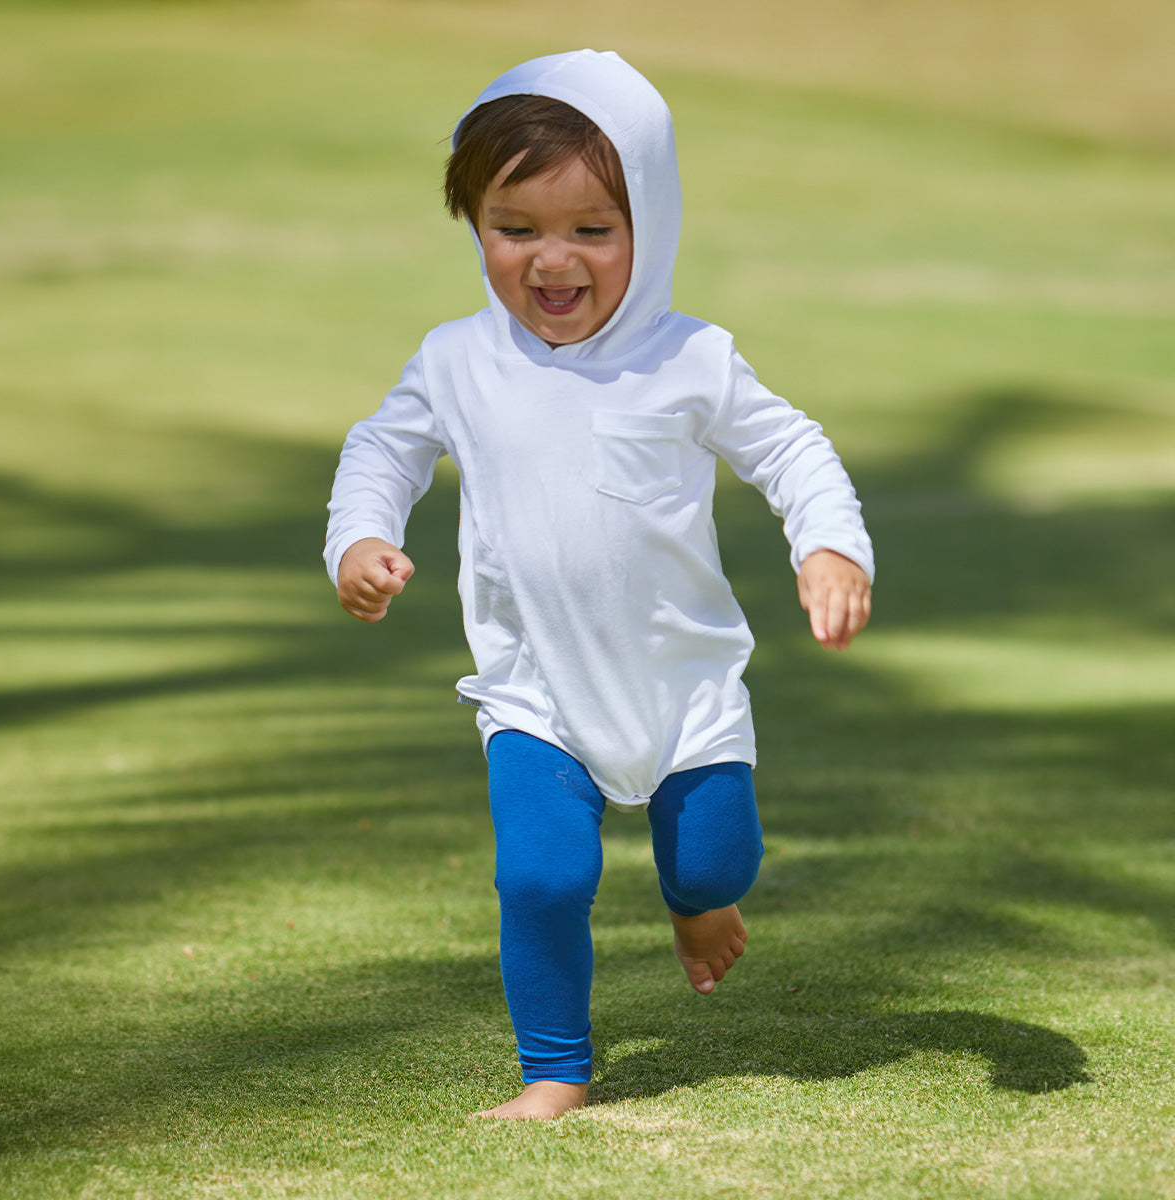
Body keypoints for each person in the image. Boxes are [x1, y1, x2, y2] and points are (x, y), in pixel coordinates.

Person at [324, 49, 873, 1120]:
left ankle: (693, 899)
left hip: (683, 690)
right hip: (537, 691)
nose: (551, 261)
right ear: (473, 225)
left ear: (651, 227)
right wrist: (359, 539)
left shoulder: (691, 360)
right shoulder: (457, 359)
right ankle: (555, 1074)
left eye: (592, 231)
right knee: (540, 879)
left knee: (717, 863)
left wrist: (830, 545)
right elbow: (381, 451)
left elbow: (792, 451)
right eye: (514, 228)